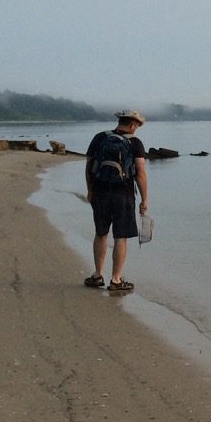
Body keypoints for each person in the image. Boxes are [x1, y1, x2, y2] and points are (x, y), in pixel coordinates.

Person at [83, 110, 149, 293]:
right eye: (137, 126)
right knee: (121, 237)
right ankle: (116, 280)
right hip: (124, 195)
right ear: (132, 125)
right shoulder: (135, 143)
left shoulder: (100, 138)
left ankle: (97, 275)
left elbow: (89, 166)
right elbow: (140, 174)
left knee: (101, 233)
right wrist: (144, 200)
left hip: (100, 192)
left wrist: (90, 191)